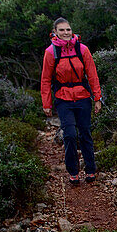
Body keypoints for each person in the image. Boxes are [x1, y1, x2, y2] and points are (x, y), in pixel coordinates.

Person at [40, 17, 103, 186]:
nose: (66, 33)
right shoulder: (50, 52)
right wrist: (47, 104)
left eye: (68, 29)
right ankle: (73, 172)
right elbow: (45, 79)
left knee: (85, 134)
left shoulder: (82, 49)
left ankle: (90, 170)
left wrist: (97, 98)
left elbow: (92, 74)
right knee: (69, 135)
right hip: (63, 99)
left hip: (83, 97)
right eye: (62, 30)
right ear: (55, 32)